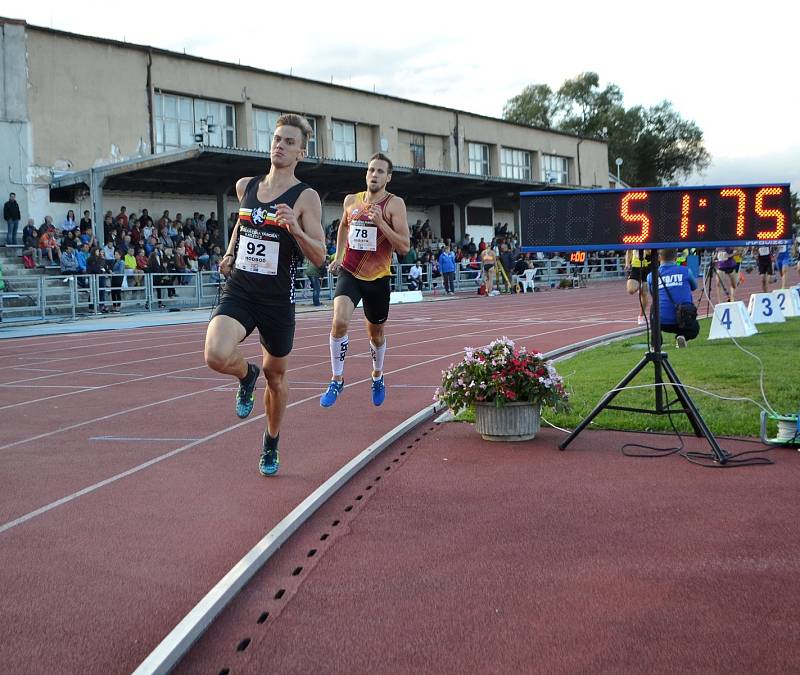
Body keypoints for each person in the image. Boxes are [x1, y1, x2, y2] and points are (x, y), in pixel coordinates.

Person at [204, 114, 326, 477]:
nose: (280, 145)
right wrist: (229, 253)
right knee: (215, 353)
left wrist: (295, 229)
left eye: (289, 142)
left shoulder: (305, 197)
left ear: (301, 152)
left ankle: (271, 440)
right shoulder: (248, 185)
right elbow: (243, 221)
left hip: (276, 301)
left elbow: (320, 256)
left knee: (277, 378)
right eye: (276, 139)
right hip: (241, 289)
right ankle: (245, 375)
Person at [319, 153, 410, 409]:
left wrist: (382, 223)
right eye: (371, 170)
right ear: (366, 173)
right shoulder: (351, 200)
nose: (374, 175)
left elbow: (404, 246)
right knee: (339, 321)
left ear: (388, 178)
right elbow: (343, 227)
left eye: (380, 171)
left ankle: (377, 375)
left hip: (377, 278)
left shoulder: (394, 205)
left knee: (376, 334)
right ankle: (337, 378)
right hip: (350, 272)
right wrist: (337, 257)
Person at [648, 248, 699, 348]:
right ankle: (682, 336)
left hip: (661, 321)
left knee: (654, 306)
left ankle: (656, 342)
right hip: (683, 320)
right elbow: (694, 287)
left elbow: (653, 294)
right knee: (695, 328)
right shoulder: (686, 271)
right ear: (676, 258)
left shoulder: (651, 276)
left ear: (659, 258)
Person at [625, 249, 651, 324]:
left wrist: (647, 251)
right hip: (636, 266)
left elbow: (652, 252)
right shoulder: (634, 239)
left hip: (648, 266)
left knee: (644, 293)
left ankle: (641, 316)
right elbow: (629, 251)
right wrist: (627, 263)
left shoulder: (650, 241)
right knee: (631, 290)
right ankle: (639, 285)